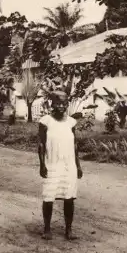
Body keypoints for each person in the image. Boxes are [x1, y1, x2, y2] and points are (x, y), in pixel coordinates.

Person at [38, 91, 83, 241]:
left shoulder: (71, 122)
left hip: (68, 165)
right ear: (52, 104)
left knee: (69, 197)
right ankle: (47, 229)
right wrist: (42, 165)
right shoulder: (45, 121)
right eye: (58, 103)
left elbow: (75, 145)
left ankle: (69, 230)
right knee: (49, 197)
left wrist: (78, 165)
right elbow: (41, 144)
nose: (61, 106)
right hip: (52, 163)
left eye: (64, 103)